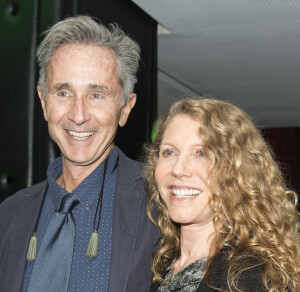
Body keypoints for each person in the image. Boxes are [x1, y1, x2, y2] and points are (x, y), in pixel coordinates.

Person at [0, 15, 160, 292]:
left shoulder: (162, 204)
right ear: (43, 101)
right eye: (63, 93)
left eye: (97, 95)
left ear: (125, 109)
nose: (78, 115)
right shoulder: (9, 214)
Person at [145, 98, 300, 292]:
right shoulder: (154, 267)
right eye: (169, 153)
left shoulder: (256, 278)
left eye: (201, 154)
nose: (178, 169)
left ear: (237, 172)